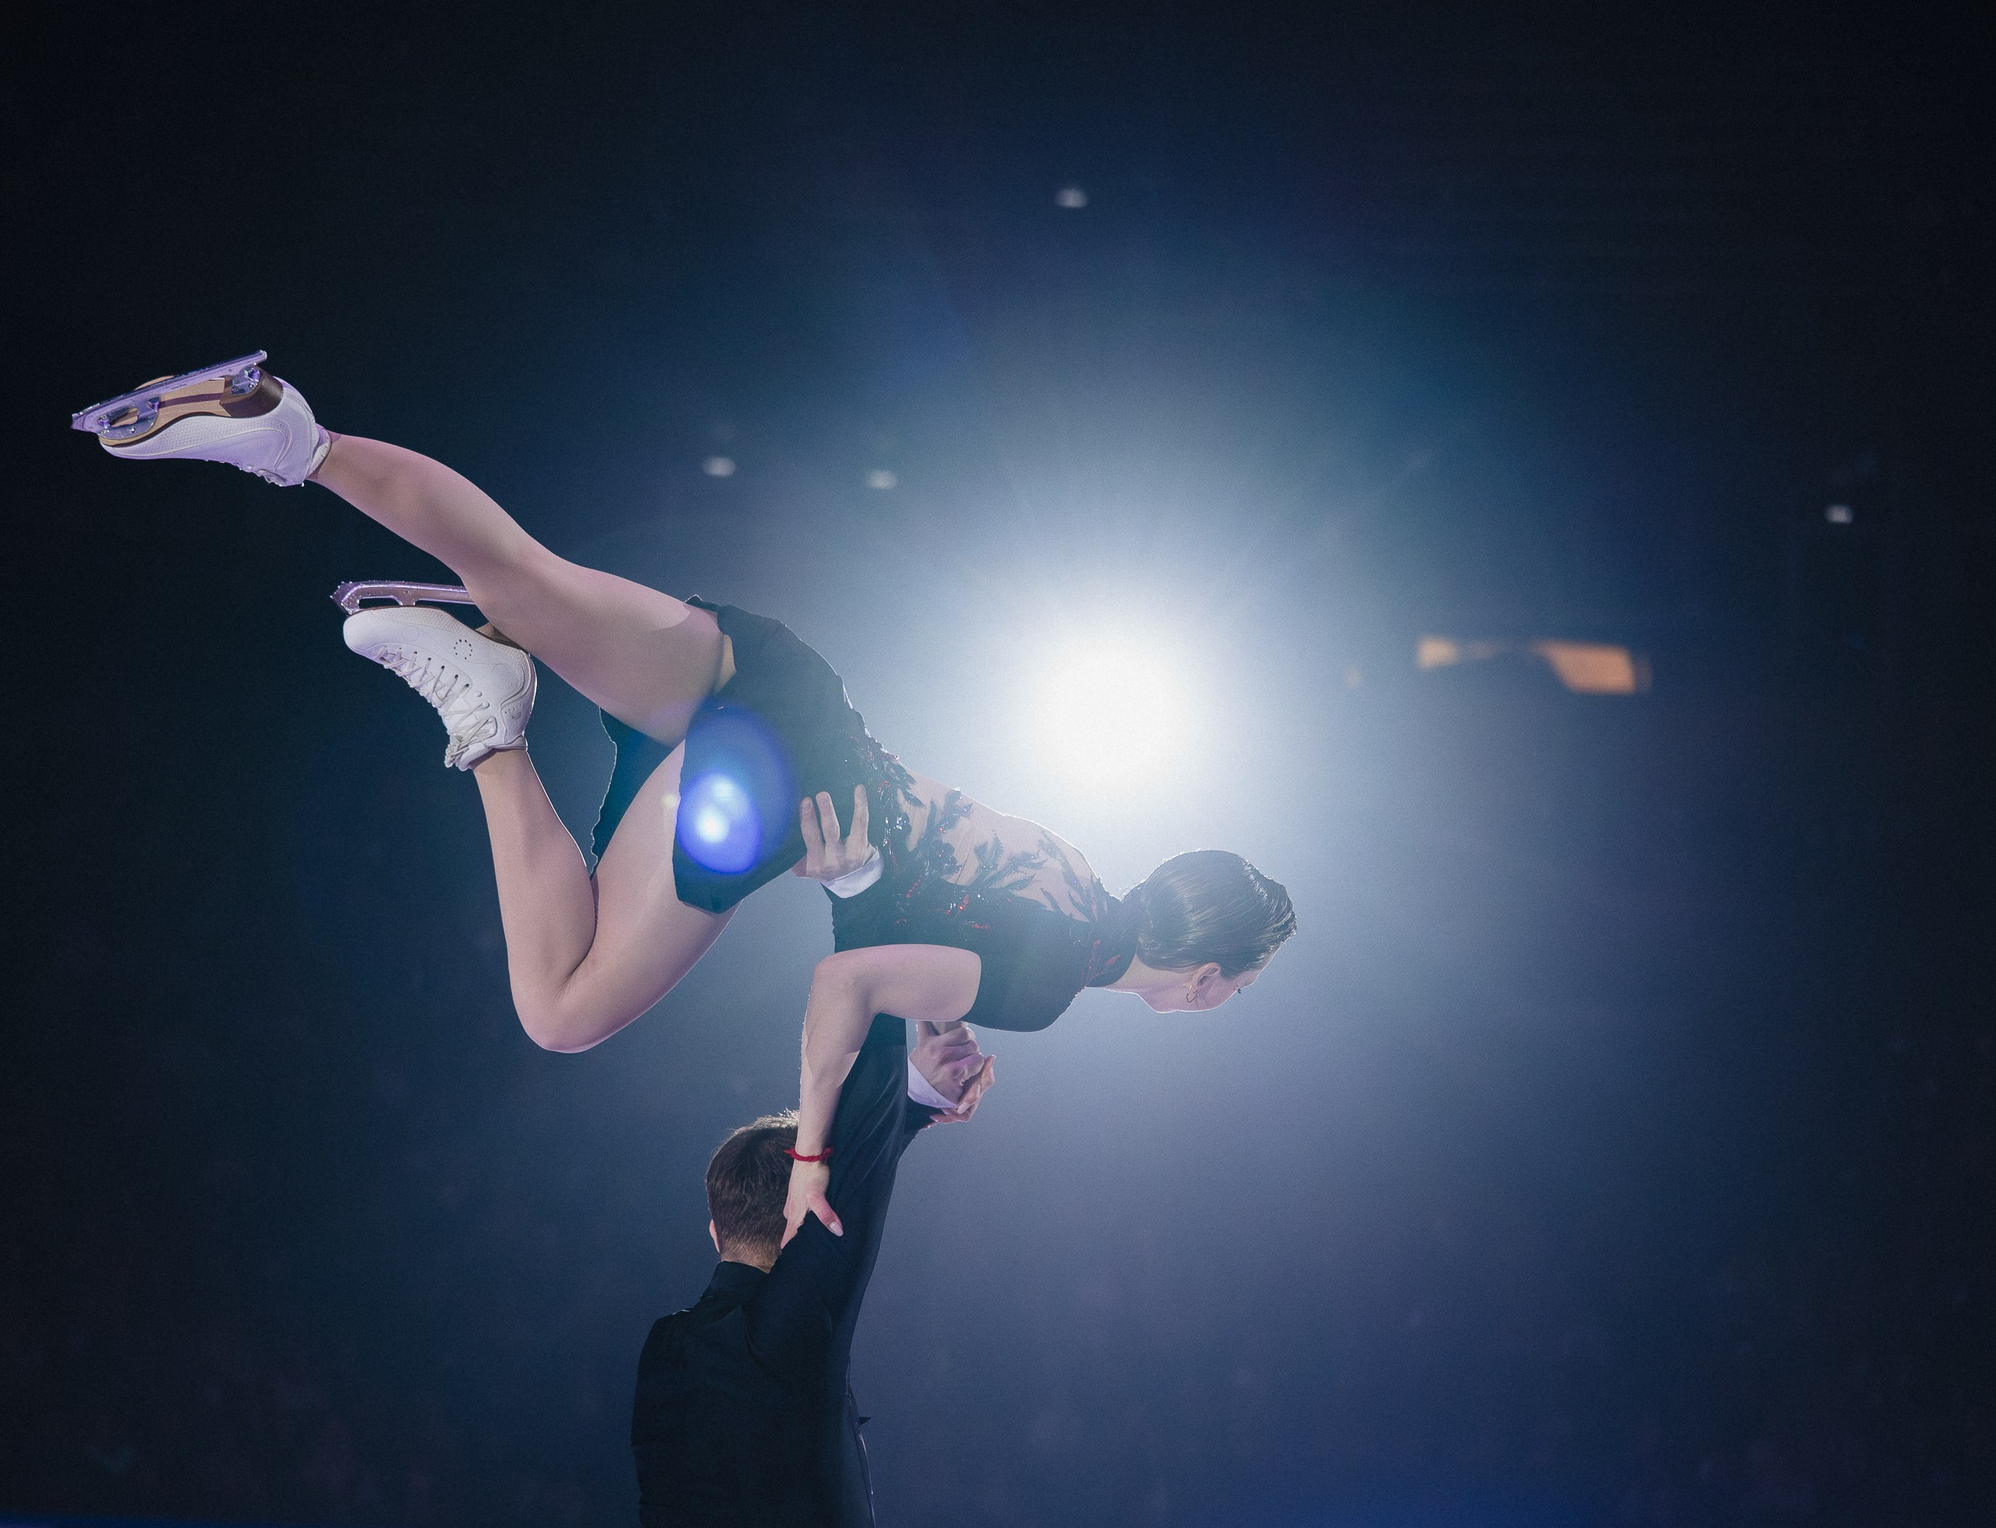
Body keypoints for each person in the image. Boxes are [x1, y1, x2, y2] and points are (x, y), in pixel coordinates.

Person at [70, 355, 1296, 1056]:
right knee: (560, 1009)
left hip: (789, 685)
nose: (1226, 1001)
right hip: (762, 796)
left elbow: (935, 901)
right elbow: (866, 952)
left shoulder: (1075, 870)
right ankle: (487, 716)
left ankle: (294, 437)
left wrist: (927, 1029)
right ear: (1203, 974)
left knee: (528, 572)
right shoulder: (1050, 984)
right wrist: (903, 1012)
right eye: (1238, 986)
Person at [635, 1008, 993, 1528]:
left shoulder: (664, 1350)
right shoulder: (778, 1346)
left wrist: (911, 1106)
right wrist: (883, 990)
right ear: (802, 1214)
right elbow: (844, 1207)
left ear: (715, 1234)